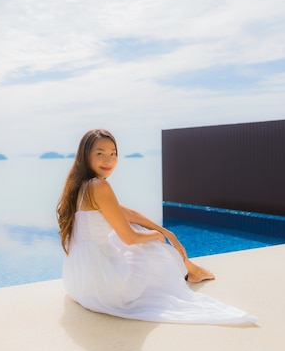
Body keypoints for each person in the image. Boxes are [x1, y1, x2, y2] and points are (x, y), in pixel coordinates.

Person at [57, 128, 257, 324]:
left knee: (133, 234)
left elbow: (127, 213)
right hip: (107, 289)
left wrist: (165, 231)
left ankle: (191, 269)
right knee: (141, 238)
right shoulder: (99, 186)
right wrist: (156, 235)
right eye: (100, 154)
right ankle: (191, 271)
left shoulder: (79, 187)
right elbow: (130, 237)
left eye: (113, 154)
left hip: (79, 284)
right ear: (86, 156)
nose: (109, 160)